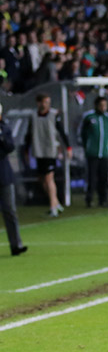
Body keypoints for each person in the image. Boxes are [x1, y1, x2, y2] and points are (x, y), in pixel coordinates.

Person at [25, 93, 69, 217]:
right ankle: (56, 202)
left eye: (47, 102)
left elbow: (61, 132)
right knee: (42, 179)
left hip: (50, 151)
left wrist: (68, 147)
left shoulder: (53, 115)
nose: (46, 105)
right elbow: (28, 134)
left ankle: (53, 207)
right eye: (44, 102)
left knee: (49, 178)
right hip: (38, 151)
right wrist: (26, 150)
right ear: (38, 103)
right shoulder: (33, 116)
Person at [1, 103, 27, 256]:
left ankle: (16, 244)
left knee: (10, 210)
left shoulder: (5, 129)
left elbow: (10, 147)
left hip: (4, 175)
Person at [78, 96, 108, 208]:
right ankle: (89, 199)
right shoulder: (89, 117)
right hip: (92, 153)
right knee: (92, 177)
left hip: (104, 153)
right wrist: (86, 146)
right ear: (96, 105)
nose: (103, 107)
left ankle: (103, 199)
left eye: (105, 105)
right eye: (101, 105)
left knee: (104, 177)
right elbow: (82, 133)